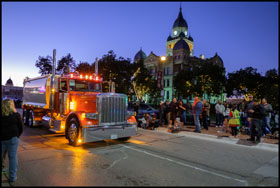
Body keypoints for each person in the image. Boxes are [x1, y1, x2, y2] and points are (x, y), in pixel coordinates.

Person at [1, 99, 24, 183]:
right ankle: (12, 177)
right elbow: (21, 127)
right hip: (12, 139)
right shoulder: (16, 115)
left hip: (2, 139)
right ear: (12, 106)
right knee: (12, 157)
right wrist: (17, 136)